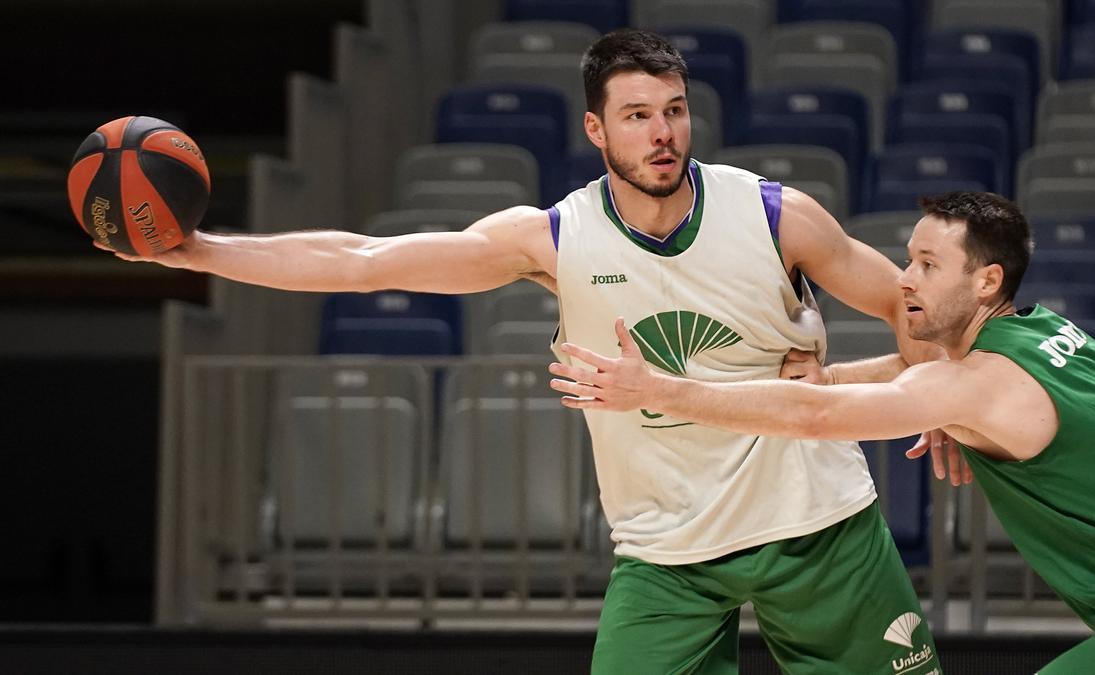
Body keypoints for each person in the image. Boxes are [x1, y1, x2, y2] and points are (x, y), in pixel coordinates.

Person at [106, 29, 944, 674]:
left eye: (675, 110)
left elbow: (916, 306)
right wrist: (202, 251)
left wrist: (929, 392)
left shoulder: (774, 215)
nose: (663, 133)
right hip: (668, 550)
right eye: (638, 115)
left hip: (817, 524)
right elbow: (362, 263)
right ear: (595, 128)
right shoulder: (552, 237)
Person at [550, 191, 1095, 673]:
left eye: (926, 265)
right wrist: (833, 377)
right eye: (907, 260)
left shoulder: (973, 383)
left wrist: (659, 390)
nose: (905, 280)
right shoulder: (1049, 332)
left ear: (987, 280)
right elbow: (920, 379)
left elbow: (818, 420)